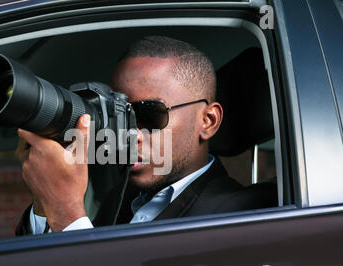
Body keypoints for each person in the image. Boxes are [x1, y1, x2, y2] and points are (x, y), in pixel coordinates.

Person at [15, 36, 275, 235]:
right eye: (120, 115)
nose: (130, 134)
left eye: (151, 115)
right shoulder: (118, 200)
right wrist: (44, 203)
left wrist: (67, 212)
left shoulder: (243, 216)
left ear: (208, 121)